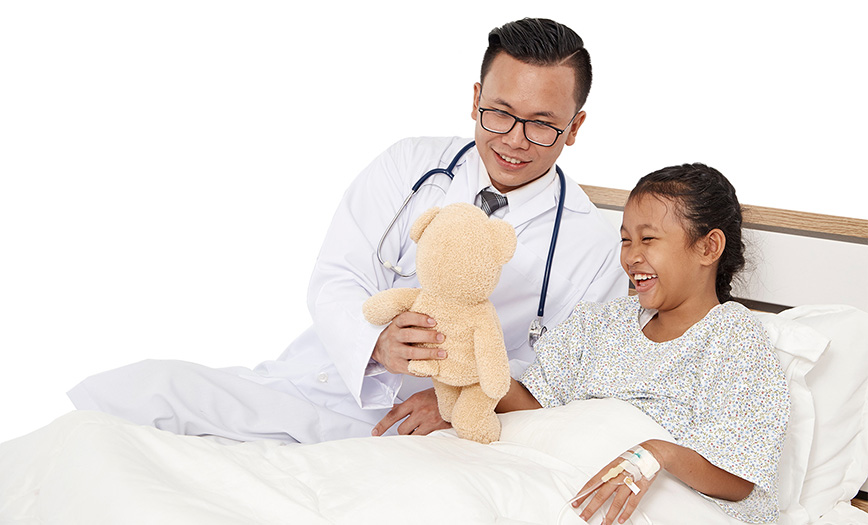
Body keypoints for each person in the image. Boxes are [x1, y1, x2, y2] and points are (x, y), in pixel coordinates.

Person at [67, 18, 627, 444]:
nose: (513, 139)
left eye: (542, 125)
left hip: (430, 432)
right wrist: (376, 344)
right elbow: (338, 275)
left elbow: (565, 373)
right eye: (500, 112)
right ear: (475, 99)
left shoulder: (593, 246)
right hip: (324, 380)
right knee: (139, 393)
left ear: (574, 128)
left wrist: (455, 402)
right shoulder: (409, 167)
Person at [496, 163, 790, 524]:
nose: (632, 256)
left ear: (708, 247)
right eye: (625, 239)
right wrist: (470, 364)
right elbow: (535, 409)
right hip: (554, 475)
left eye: (648, 239)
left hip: (665, 503)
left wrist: (655, 454)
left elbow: (739, 478)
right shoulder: (599, 322)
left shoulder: (733, 338)